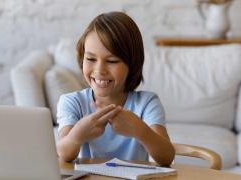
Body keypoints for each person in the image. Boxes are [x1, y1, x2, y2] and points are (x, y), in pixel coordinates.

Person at [56, 11, 175, 166]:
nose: (99, 70)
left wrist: (140, 130)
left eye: (111, 61)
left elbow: (166, 157)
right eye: (91, 59)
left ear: (131, 65)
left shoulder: (147, 103)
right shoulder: (72, 102)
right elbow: (64, 154)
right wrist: (77, 135)